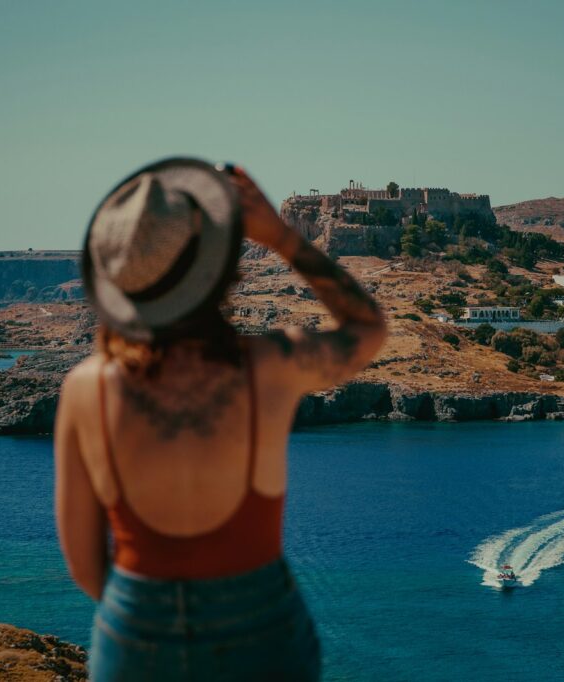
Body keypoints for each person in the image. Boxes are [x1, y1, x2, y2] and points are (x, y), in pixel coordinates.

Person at [54, 157, 387, 680]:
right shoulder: (268, 367)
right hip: (262, 634)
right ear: (218, 268)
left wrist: (147, 613)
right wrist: (282, 236)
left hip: (134, 636)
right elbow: (367, 327)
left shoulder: (86, 388)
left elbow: (83, 563)